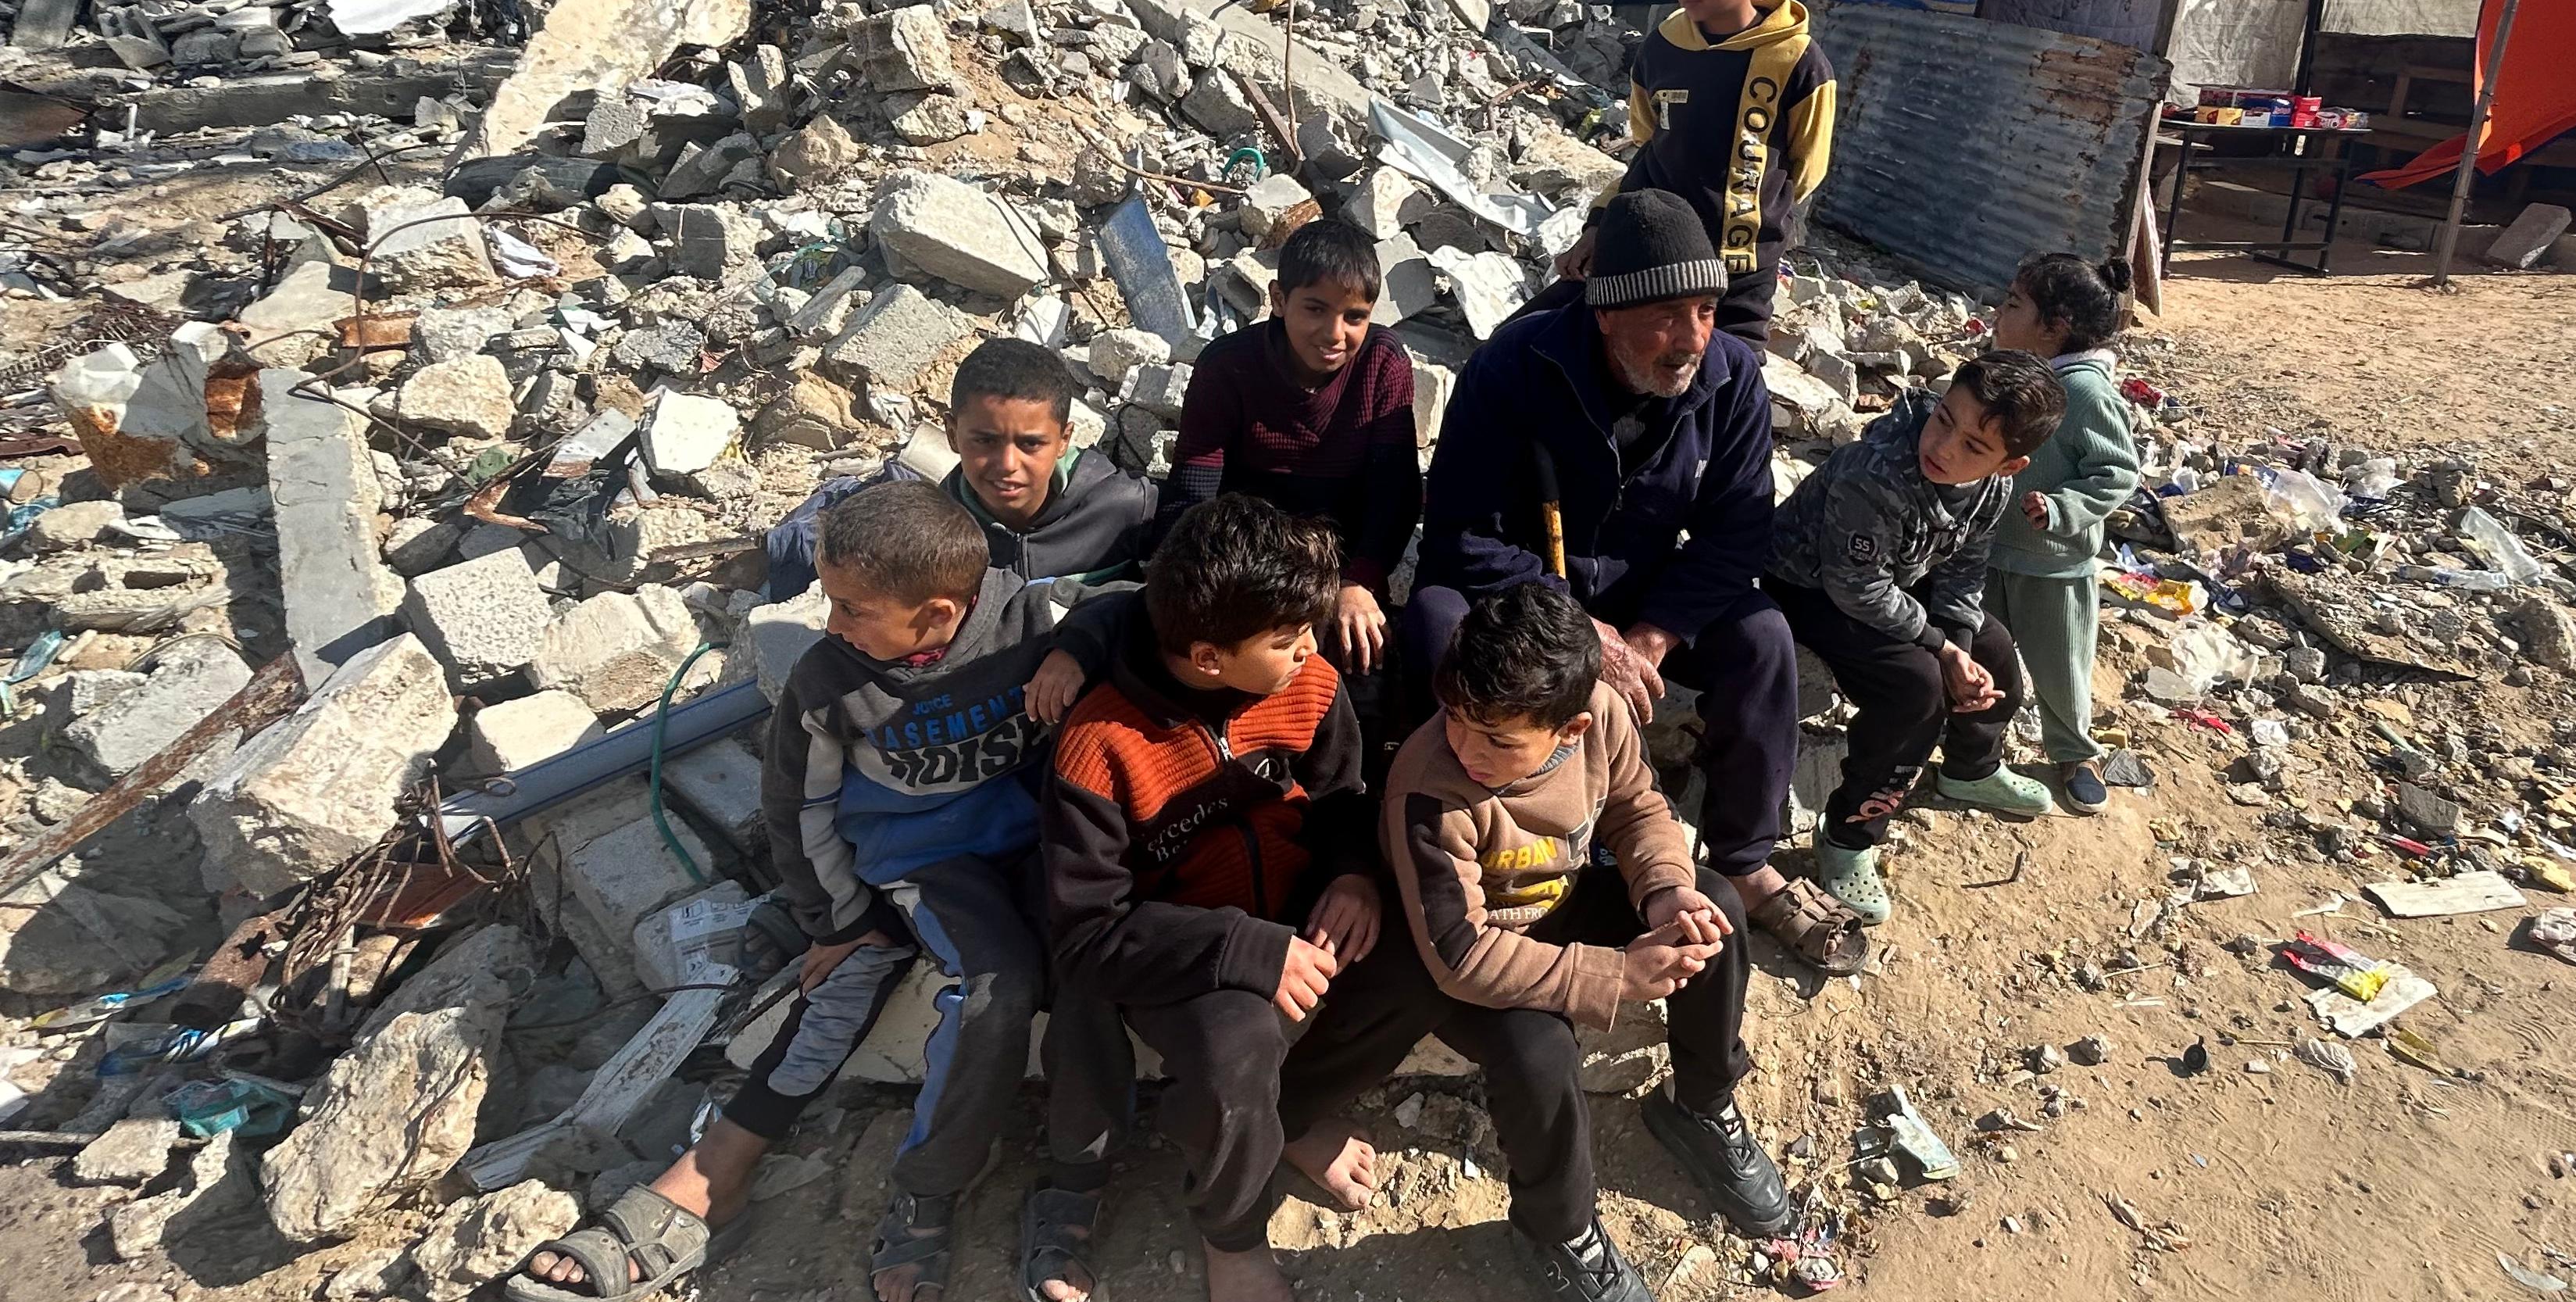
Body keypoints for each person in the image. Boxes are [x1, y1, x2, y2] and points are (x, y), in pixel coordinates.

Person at [513, 481, 1064, 1302]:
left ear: (940, 613)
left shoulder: (1024, 623)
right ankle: (906, 1189)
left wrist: (1078, 650)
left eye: (853, 607)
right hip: (925, 863)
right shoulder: (828, 681)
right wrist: (838, 919)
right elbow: (797, 808)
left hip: (1031, 840)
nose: (832, 622)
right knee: (970, 985)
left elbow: (1123, 615)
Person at [1278, 583, 1788, 1302]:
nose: (1470, 750)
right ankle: (1560, 1230)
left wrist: (1663, 889)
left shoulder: (1603, 720)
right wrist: (1613, 977)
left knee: (1711, 906)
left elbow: (1637, 810)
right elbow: (1461, 957)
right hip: (1470, 949)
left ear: (1570, 726)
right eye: (1458, 721)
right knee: (1536, 1050)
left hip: (1561, 899)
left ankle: (1700, 1102)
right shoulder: (1430, 789)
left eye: (1499, 741)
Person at [1404, 191, 1860, 975]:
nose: (1690, 340)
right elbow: (1460, 537)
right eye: (1666, 316)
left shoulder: (1732, 376)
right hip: (1529, 600)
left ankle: (1745, 860)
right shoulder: (1517, 366)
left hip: (1646, 595)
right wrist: (1583, 637)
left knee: (1761, 635)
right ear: (1606, 313)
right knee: (1435, 621)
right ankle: (1454, 831)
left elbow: (1737, 531)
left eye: (1708, 311)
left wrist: (1652, 635)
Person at [1030, 495, 1381, 1302]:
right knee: (1237, 1047)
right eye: (1286, 640)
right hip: (1179, 955)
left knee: (1420, 953)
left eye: (1308, 630)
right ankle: (1231, 1234)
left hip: (1297, 919)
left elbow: (1345, 804)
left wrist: (1357, 878)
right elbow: (1084, 939)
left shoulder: (1312, 686)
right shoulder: (1099, 745)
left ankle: (1291, 1116)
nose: (1310, 650)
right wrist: (1244, 950)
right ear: (1208, 657)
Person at [1768, 351, 2069, 926]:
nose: (1945, 447)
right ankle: (1849, 836)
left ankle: (1969, 768)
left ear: (2009, 466)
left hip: (1897, 578)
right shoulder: (1874, 474)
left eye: (1974, 448)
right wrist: (1940, 650)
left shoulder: (1990, 491)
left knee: (1995, 648)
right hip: (1807, 585)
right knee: (1915, 688)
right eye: (1944, 420)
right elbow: (1854, 585)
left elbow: (1962, 570)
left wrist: (1958, 639)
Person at [1549, 0, 1837, 346]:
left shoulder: (1797, 62)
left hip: (1740, 273)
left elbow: (1807, 167)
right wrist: (1601, 224)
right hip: (1656, 256)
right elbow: (1649, 144)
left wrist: (1750, 208)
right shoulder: (1661, 50)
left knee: (1726, 384)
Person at [1156, 218, 1423, 674]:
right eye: (1315, 310)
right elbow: (1193, 493)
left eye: (1354, 317)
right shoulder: (1228, 366)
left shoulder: (1383, 364)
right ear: (1278, 300)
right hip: (1248, 547)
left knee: (1362, 659)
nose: (1335, 334)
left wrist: (1360, 582)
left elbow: (1395, 493)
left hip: (1337, 551)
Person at [763, 335, 1152, 599]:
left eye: (1031, 443)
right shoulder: (930, 532)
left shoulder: (1126, 507)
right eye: (984, 441)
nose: (1007, 465)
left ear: (1064, 439)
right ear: (951, 433)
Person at [1984, 252, 2145, 816]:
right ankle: (1975, 751)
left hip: (2053, 562)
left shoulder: (2084, 394)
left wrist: (2062, 507)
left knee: (2061, 669)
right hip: (1989, 551)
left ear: (2054, 328)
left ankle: (2075, 754)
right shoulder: (2017, 371)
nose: (1999, 313)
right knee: (1981, 659)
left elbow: (2118, 470)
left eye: (2012, 304)